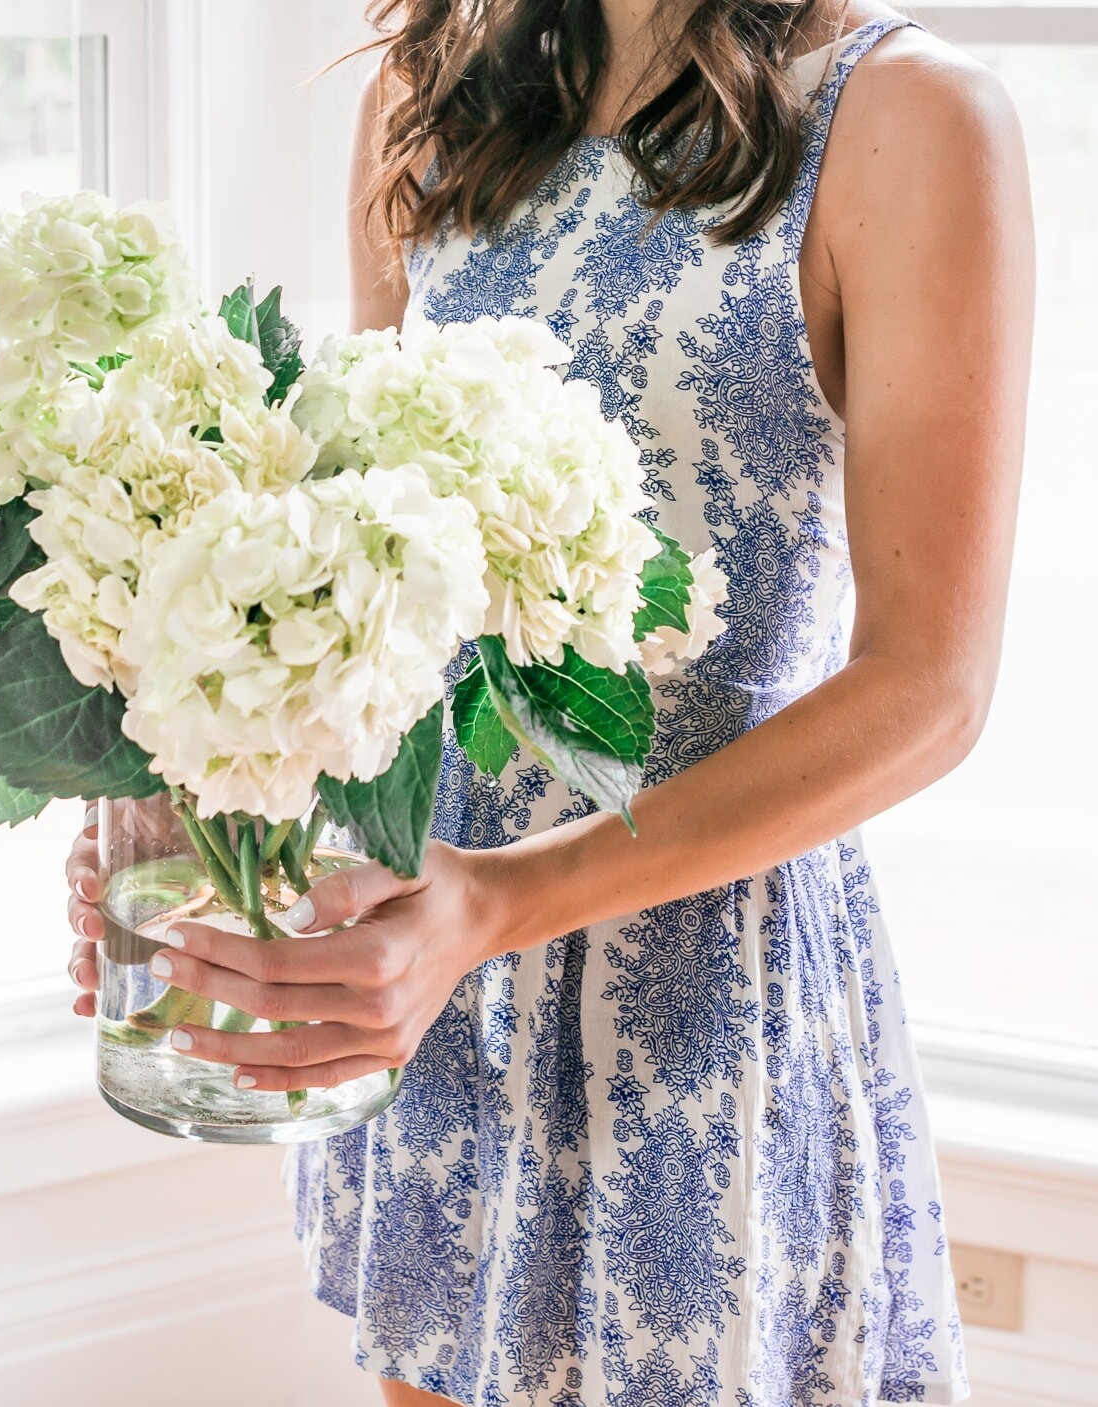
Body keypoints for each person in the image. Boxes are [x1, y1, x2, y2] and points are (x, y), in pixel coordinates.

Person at [66, 0, 1032, 1401]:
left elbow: (927, 691)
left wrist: (497, 902)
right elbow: (368, 561)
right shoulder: (433, 77)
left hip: (702, 976)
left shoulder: (902, 116)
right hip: (424, 960)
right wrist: (195, 793)